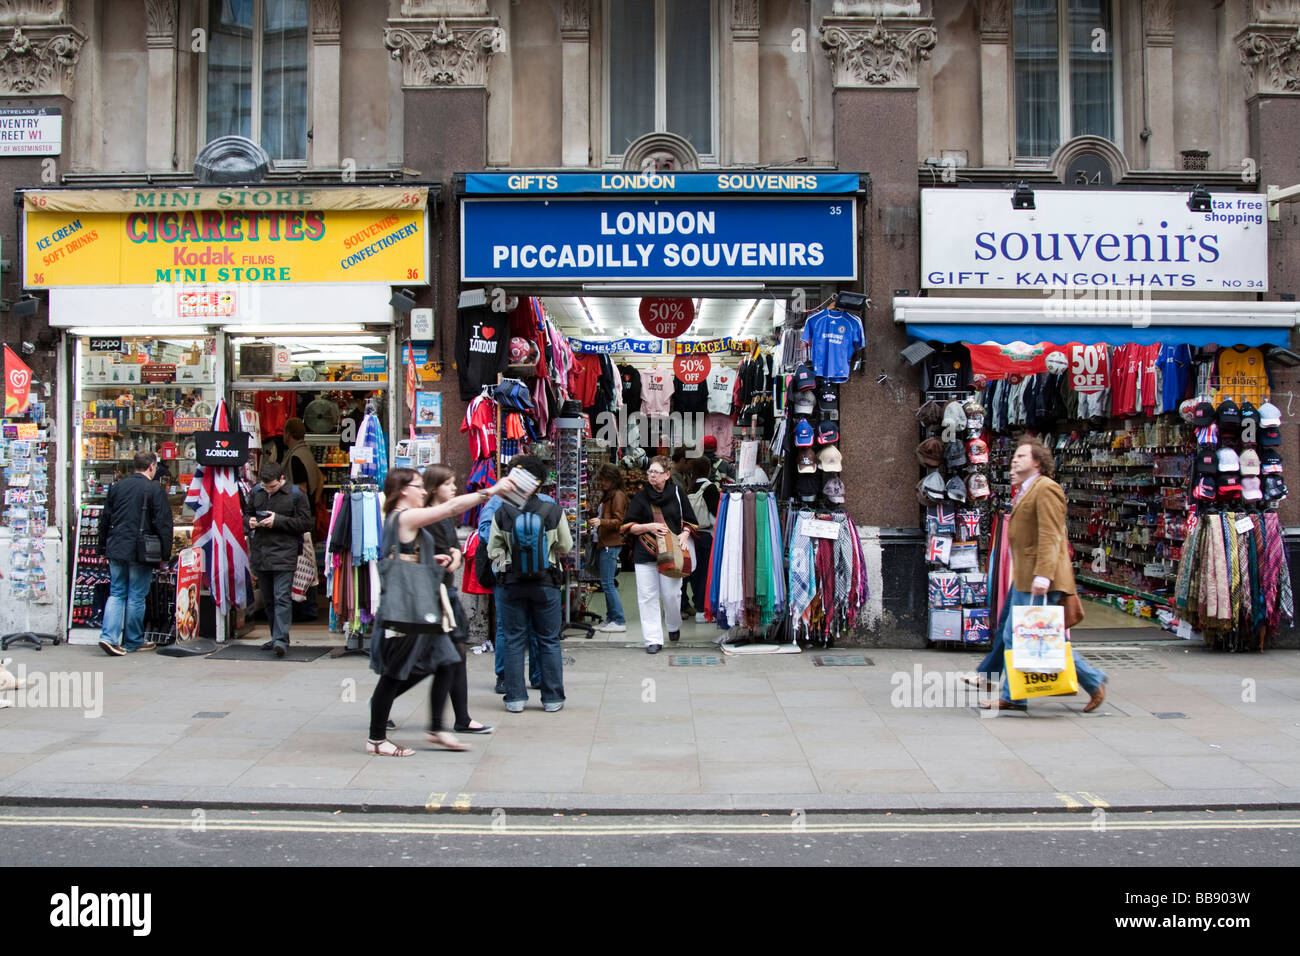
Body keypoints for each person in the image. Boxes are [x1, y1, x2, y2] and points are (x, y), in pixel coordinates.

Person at [367, 467, 515, 756]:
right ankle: (376, 739)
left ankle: (437, 729)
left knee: (447, 660)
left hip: (420, 607)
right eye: (418, 486)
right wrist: (491, 491)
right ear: (402, 491)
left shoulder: (403, 521)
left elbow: (403, 556)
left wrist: (431, 558)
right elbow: (450, 508)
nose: (423, 491)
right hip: (407, 609)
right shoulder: (404, 516)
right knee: (395, 674)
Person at [978, 437, 1109, 713]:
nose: (1015, 460)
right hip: (1026, 575)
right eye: (1014, 456)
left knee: (1025, 635)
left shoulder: (1046, 489)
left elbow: (1051, 535)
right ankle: (1092, 680)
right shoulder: (1026, 490)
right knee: (1022, 633)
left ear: (1037, 461)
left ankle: (1013, 695)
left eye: (1022, 456)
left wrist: (1043, 576)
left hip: (1040, 577)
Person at [487, 454, 573, 713]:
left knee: (513, 639)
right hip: (545, 583)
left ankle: (514, 699)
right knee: (548, 639)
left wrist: (511, 558)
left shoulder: (502, 511)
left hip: (510, 584)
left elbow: (493, 550)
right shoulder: (553, 510)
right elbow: (565, 546)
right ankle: (552, 698)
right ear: (539, 483)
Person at [423, 465, 493, 736]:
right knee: (412, 662)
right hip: (430, 597)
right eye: (448, 483)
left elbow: (452, 548)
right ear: (433, 488)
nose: (454, 487)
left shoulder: (444, 517)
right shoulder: (426, 517)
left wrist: (454, 555)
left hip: (445, 594)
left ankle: (460, 718)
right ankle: (382, 707)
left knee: (456, 655)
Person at [477, 458, 549, 695]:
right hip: (524, 573)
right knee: (525, 627)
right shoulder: (544, 502)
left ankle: (512, 677)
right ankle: (522, 676)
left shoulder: (497, 502)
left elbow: (487, 535)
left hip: (516, 573)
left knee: (512, 628)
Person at [97, 450, 173, 656]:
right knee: (136, 596)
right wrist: (165, 555)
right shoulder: (154, 490)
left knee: (116, 592)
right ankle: (133, 640)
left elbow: (105, 519)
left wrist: (101, 547)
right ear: (151, 467)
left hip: (116, 547)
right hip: (141, 550)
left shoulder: (117, 487)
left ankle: (109, 637)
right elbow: (163, 524)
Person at [623, 455, 699, 654]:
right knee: (647, 597)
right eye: (649, 472)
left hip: (672, 553)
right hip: (645, 552)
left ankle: (673, 625)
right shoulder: (641, 497)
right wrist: (649, 526)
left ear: (667, 475)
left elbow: (690, 520)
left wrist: (685, 534)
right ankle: (653, 639)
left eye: (656, 472)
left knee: (671, 595)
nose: (651, 476)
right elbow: (629, 526)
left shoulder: (677, 493)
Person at [245, 461, 314, 657]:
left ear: (282, 479)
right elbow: (246, 514)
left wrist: (278, 521)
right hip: (261, 553)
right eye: (266, 487)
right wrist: (248, 522)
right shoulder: (257, 492)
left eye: (273, 486)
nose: (269, 490)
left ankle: (281, 639)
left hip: (285, 552)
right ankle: (276, 636)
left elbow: (306, 523)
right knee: (268, 600)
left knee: (281, 597)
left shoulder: (296, 495)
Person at [282, 416, 326, 621]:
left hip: (299, 519)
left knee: (302, 564)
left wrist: (300, 513)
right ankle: (308, 606)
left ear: (287, 434)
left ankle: (306, 608)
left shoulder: (295, 456)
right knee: (308, 562)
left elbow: (301, 488)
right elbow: (321, 479)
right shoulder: (306, 453)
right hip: (308, 515)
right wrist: (314, 504)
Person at [589, 463, 629, 633]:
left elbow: (619, 521)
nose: (602, 483)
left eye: (605, 480)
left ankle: (619, 620)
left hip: (610, 543)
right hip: (604, 541)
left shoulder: (618, 496)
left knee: (607, 583)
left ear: (612, 480)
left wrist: (601, 522)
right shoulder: (609, 495)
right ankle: (611, 617)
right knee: (606, 583)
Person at [685, 455, 720, 623]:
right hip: (706, 534)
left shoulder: (690, 487)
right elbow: (715, 513)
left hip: (691, 535)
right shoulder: (710, 488)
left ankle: (697, 604)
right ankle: (701, 609)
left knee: (695, 573)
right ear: (708, 469)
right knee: (706, 573)